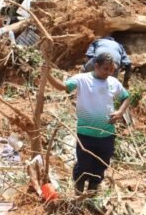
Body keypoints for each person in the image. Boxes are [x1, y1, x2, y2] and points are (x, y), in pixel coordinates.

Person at [48, 53, 131, 193]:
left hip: (106, 133)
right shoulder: (82, 79)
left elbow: (126, 97)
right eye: (106, 69)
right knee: (84, 163)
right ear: (96, 66)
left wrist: (120, 112)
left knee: (102, 163)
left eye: (112, 70)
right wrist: (47, 75)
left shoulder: (113, 82)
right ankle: (78, 189)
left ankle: (93, 189)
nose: (109, 72)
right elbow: (63, 87)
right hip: (86, 133)